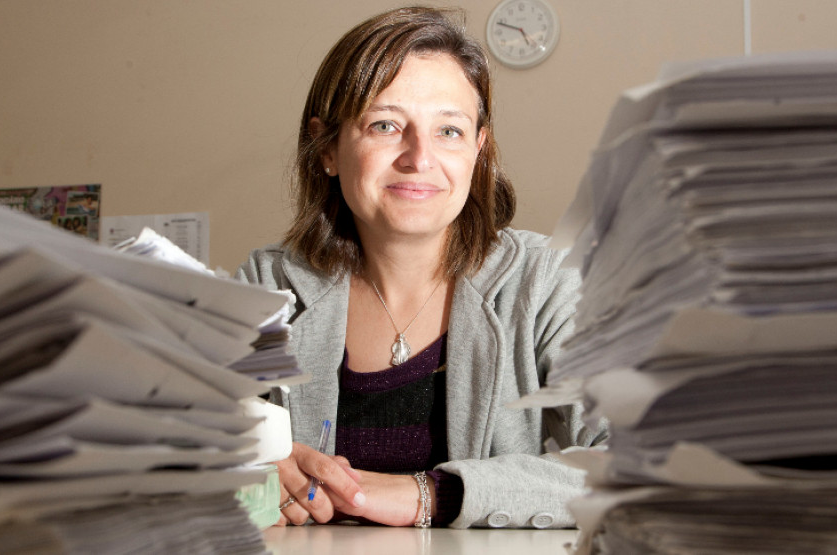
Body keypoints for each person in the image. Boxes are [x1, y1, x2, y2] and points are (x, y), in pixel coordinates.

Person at [236, 6, 605, 529]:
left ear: (479, 148)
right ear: (328, 148)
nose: (419, 157)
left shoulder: (547, 282)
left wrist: (433, 495)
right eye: (385, 124)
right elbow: (172, 457)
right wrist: (253, 473)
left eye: (449, 131)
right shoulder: (265, 286)